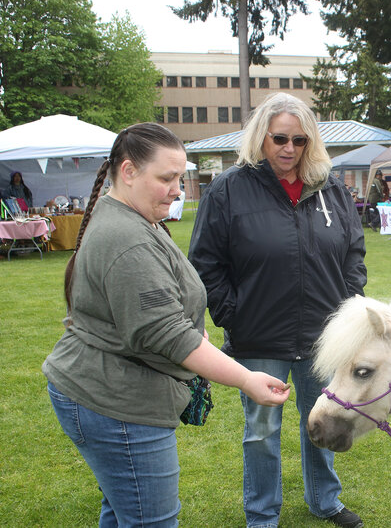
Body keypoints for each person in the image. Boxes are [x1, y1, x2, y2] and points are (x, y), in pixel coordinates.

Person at [42, 123, 290, 527]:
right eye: (166, 178)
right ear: (127, 172)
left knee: (123, 510)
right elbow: (166, 335)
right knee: (151, 519)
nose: (178, 189)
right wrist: (246, 379)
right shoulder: (128, 238)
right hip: (117, 403)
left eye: (180, 177)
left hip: (106, 391)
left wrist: (192, 324)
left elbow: (161, 313)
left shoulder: (134, 217)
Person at [188, 92, 367, 528]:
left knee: (324, 422)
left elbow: (353, 254)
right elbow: (205, 263)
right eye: (280, 138)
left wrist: (346, 309)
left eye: (300, 140)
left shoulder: (331, 189)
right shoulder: (229, 189)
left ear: (312, 143)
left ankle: (325, 500)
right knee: (263, 433)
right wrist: (236, 314)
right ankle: (262, 514)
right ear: (261, 138)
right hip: (259, 338)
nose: (289, 149)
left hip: (325, 338)